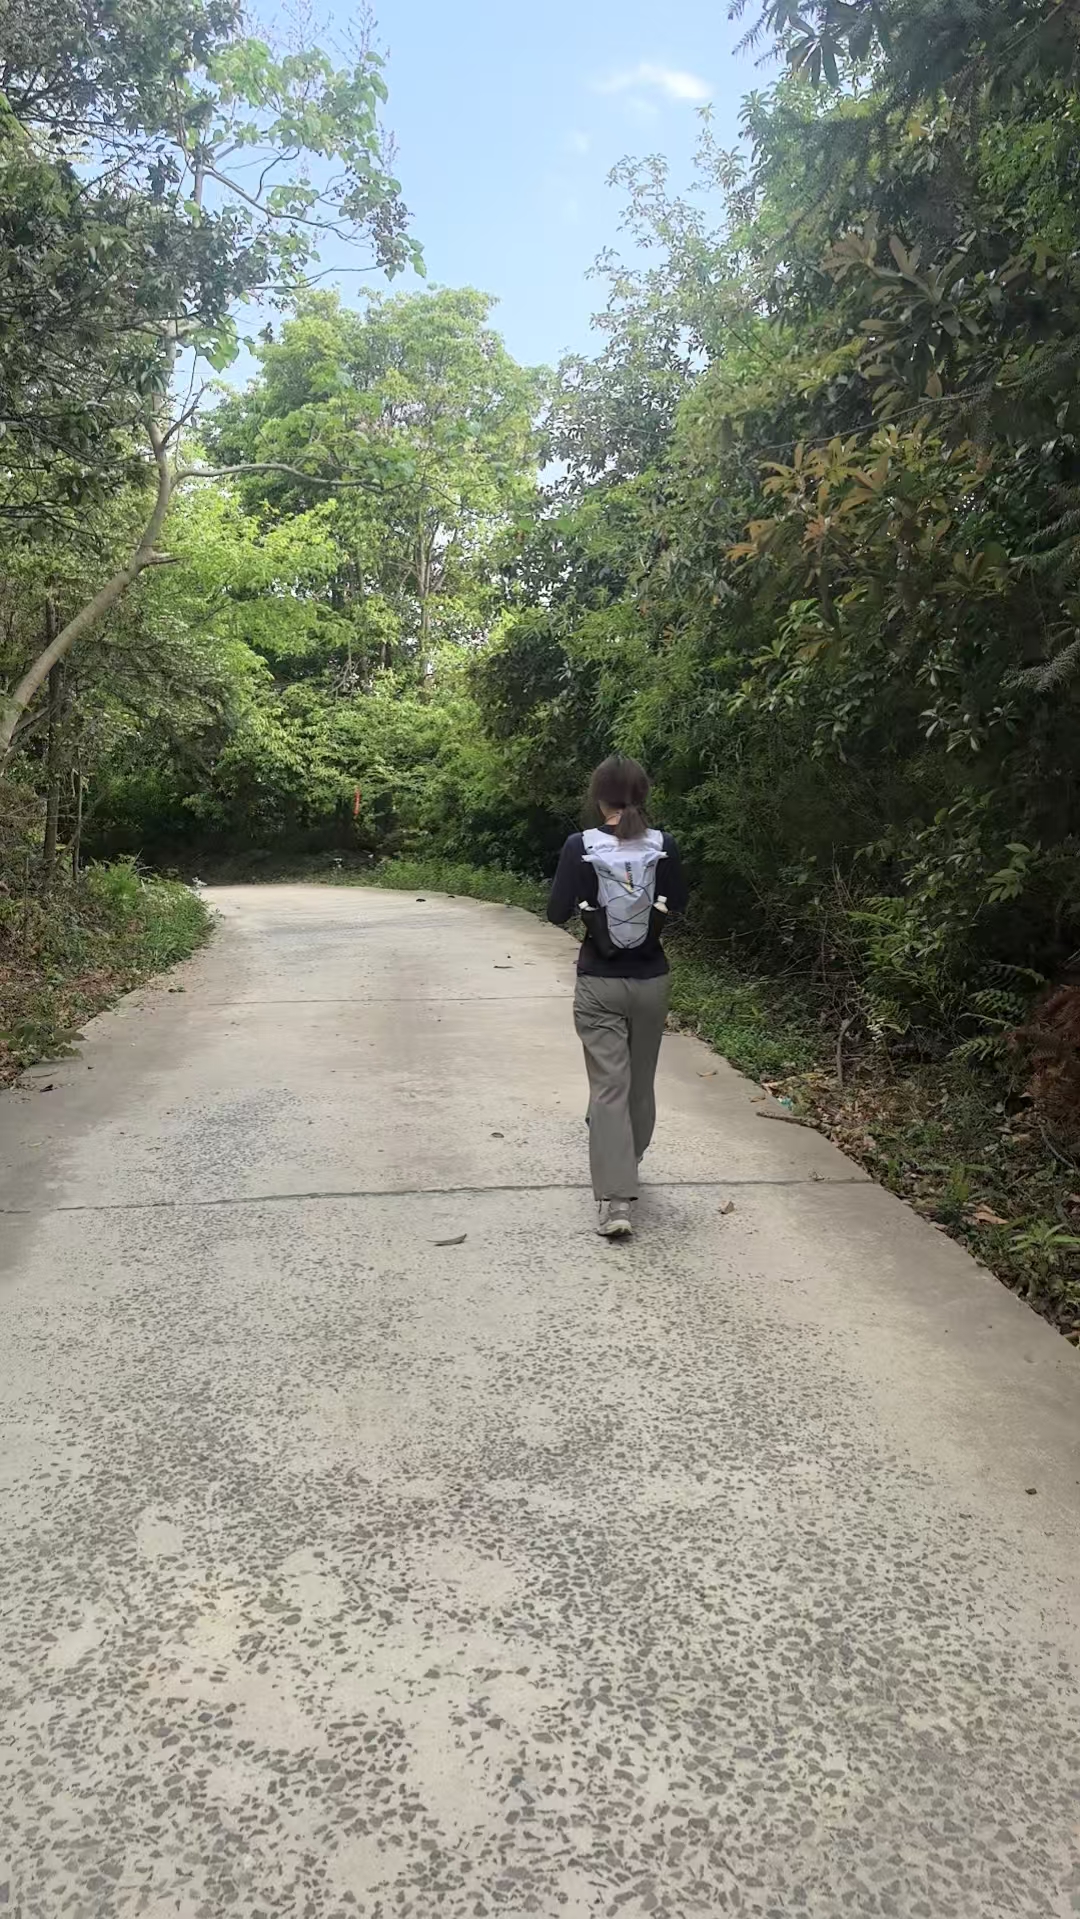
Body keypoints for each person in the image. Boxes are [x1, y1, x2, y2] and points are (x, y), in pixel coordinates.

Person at [547, 755, 688, 1238]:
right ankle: (629, 1159)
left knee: (609, 1087)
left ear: (598, 797)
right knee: (640, 1083)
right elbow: (680, 903)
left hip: (599, 982)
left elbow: (555, 912)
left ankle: (616, 1200)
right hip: (652, 981)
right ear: (643, 794)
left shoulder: (579, 845)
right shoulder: (663, 844)